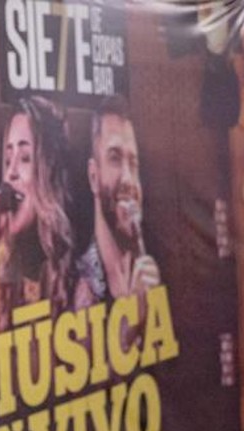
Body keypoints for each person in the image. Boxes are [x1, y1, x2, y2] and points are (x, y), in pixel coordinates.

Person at [0, 96, 77, 344]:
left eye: (25, 158)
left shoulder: (74, 274)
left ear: (49, 172)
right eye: (7, 159)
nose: (11, 172)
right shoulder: (3, 262)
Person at [74, 100, 162, 310]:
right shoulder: (76, 285)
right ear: (94, 177)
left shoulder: (159, 275)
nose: (128, 179)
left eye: (133, 164)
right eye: (114, 158)